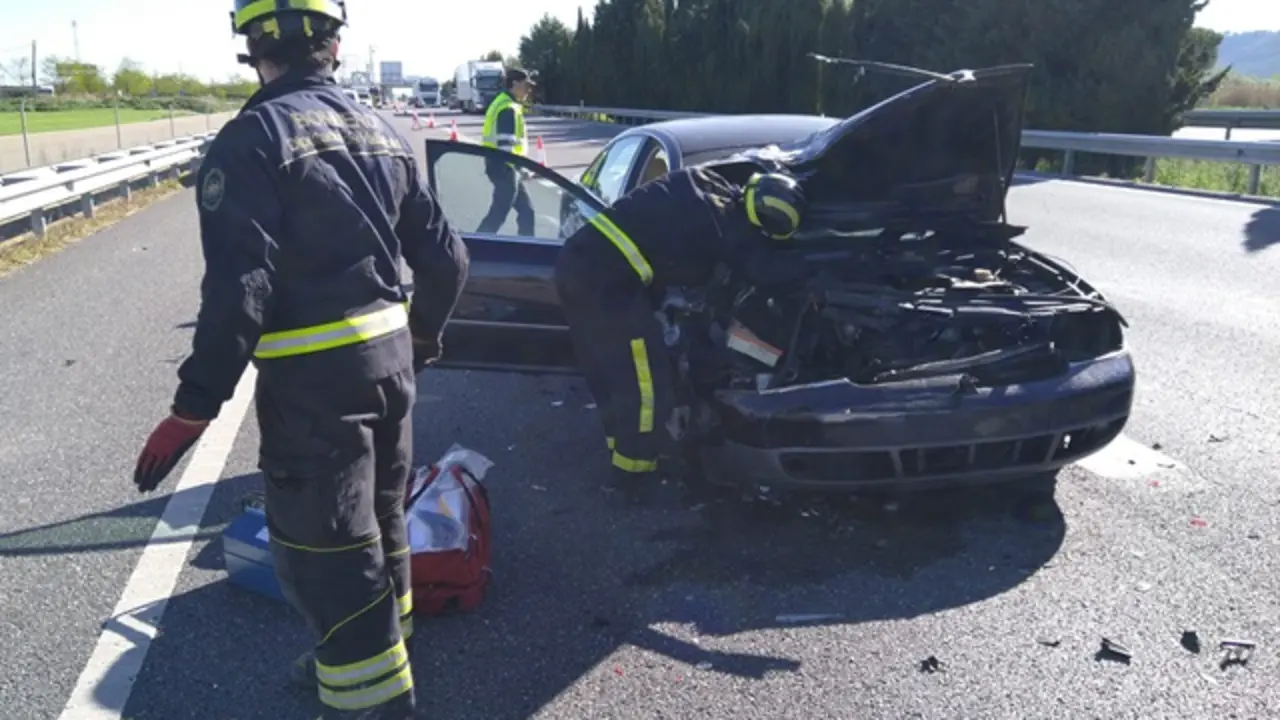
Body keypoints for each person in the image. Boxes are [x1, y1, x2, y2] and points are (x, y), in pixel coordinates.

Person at [130, 2, 470, 717]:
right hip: (393, 374)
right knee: (383, 523)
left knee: (329, 558)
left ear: (253, 48)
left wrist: (194, 407)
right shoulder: (385, 132)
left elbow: (239, 292)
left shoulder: (249, 139)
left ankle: (372, 697)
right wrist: (421, 340)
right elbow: (446, 259)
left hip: (318, 396)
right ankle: (392, 647)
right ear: (335, 45)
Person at [554, 167, 808, 500]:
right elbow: (762, 269)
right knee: (644, 383)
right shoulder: (723, 224)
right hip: (608, 283)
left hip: (578, 266)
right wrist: (814, 272)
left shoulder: (703, 180)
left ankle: (624, 450)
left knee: (610, 374)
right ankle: (633, 478)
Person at [476, 67, 537, 235]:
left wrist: (520, 170)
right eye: (526, 85)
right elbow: (506, 148)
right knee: (498, 215)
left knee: (526, 212)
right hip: (504, 168)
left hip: (502, 167)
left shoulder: (504, 103)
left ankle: (527, 251)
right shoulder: (508, 108)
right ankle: (477, 247)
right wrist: (519, 169)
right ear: (515, 84)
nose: (528, 90)